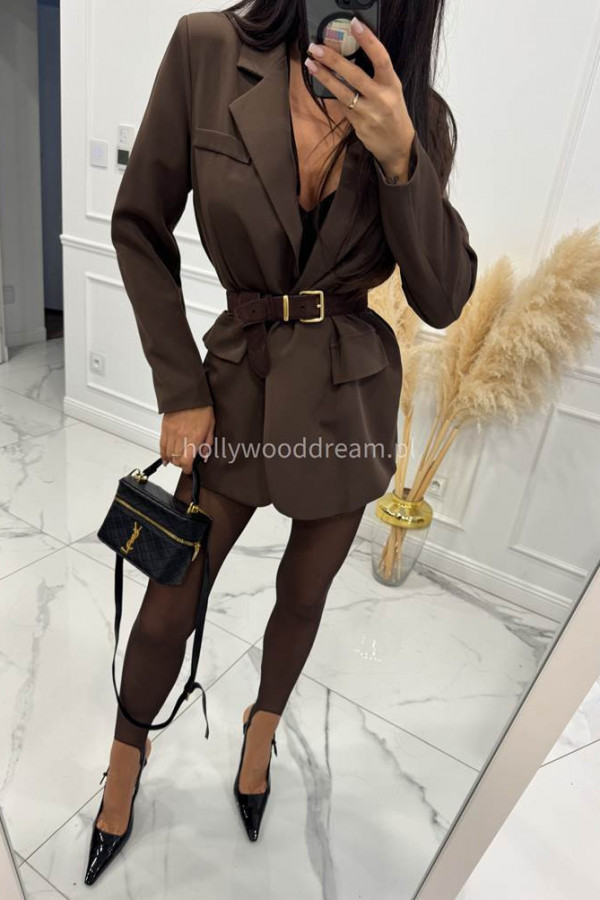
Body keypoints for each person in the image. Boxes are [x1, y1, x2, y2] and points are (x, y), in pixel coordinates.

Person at [84, 1, 478, 885]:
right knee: (171, 598)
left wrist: (402, 160)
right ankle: (125, 760)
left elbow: (445, 297)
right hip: (233, 389)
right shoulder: (207, 49)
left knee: (302, 598)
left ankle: (258, 738)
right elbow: (138, 224)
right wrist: (180, 389)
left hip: (344, 403)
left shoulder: (418, 117)